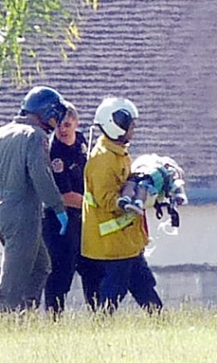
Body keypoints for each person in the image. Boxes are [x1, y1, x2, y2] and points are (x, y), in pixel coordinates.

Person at [0, 86, 70, 317]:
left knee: (40, 266)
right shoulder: (35, 136)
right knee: (12, 280)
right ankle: (2, 321)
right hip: (23, 213)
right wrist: (57, 206)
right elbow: (40, 174)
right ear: (47, 112)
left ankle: (26, 315)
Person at [81, 96, 162, 313]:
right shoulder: (103, 159)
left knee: (144, 285)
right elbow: (106, 198)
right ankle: (101, 327)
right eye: (129, 122)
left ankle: (162, 322)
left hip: (126, 242)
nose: (133, 127)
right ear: (115, 123)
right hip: (111, 245)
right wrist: (126, 202)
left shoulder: (118, 154)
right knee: (114, 291)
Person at [42, 104, 96, 315]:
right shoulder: (54, 153)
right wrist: (97, 205)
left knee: (92, 269)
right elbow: (66, 197)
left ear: (76, 123)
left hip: (84, 219)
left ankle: (99, 316)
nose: (62, 130)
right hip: (60, 221)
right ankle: (54, 318)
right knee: (60, 273)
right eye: (58, 126)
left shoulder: (82, 141)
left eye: (66, 124)